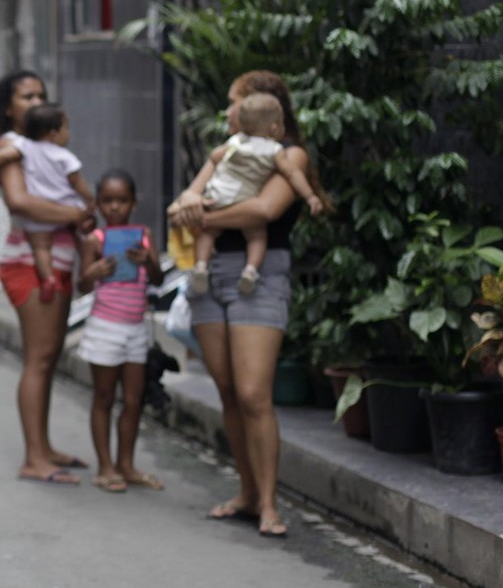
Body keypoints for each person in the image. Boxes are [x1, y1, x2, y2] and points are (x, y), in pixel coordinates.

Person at [168, 69, 328, 539]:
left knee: (255, 394)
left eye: (233, 102)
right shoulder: (230, 149)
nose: (226, 111)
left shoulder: (288, 152)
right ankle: (248, 494)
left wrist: (205, 215)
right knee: (229, 392)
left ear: (259, 104)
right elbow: (184, 203)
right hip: (209, 273)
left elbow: (263, 211)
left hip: (258, 275)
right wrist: (191, 207)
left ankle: (270, 505)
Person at [0, 70, 94, 485]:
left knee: (47, 359)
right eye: (27, 97)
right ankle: (34, 457)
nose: (36, 102)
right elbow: (20, 201)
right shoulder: (11, 145)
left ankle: (43, 448)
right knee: (39, 358)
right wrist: (78, 213)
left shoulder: (38, 146)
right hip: (30, 263)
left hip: (56, 260)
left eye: (41, 95)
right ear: (9, 109)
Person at [174, 92, 326, 296]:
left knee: (207, 234)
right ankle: (251, 270)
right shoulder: (275, 150)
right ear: (274, 127)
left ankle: (201, 266)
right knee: (257, 236)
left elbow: (215, 156)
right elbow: (293, 174)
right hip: (242, 199)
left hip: (217, 195)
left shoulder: (235, 142)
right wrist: (310, 196)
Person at [76, 169, 165, 493]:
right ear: (99, 205)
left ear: (133, 203)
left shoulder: (144, 235)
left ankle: (126, 464)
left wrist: (147, 262)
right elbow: (81, 285)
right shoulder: (94, 240)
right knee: (103, 397)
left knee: (133, 399)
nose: (115, 207)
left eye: (122, 201)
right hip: (104, 327)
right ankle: (106, 467)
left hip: (135, 330)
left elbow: (157, 280)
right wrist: (94, 271)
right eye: (108, 201)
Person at [0, 102, 94, 302]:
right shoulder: (65, 157)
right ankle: (85, 274)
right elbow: (77, 183)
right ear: (53, 133)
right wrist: (90, 200)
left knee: (41, 248)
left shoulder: (25, 146)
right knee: (85, 239)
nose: (69, 133)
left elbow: (4, 155)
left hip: (37, 216)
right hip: (65, 210)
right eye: (66, 128)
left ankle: (48, 277)